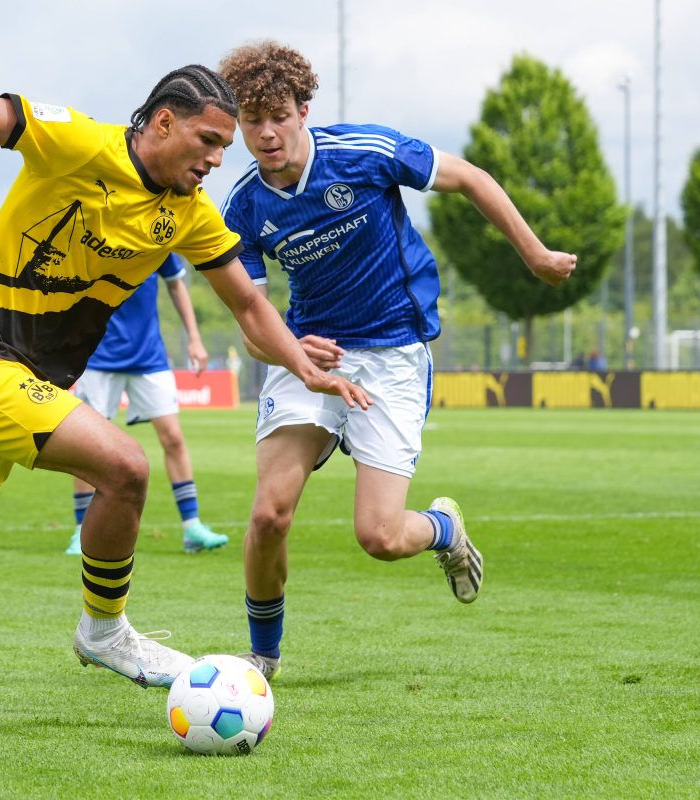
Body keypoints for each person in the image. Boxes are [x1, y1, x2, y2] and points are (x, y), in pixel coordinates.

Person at [0, 65, 369, 708]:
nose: (220, 159)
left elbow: (248, 306)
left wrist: (302, 366)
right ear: (164, 123)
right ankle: (104, 630)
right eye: (209, 141)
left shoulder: (188, 214)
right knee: (125, 467)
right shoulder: (79, 144)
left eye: (224, 147)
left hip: (23, 380)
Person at [217, 41, 577, 679]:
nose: (265, 132)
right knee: (270, 513)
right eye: (250, 119)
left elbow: (468, 177)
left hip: (391, 355)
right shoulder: (243, 206)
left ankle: (442, 527)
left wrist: (536, 254)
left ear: (304, 109)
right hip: (309, 357)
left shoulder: (364, 152)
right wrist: (289, 348)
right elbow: (252, 321)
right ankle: (261, 659)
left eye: (278, 114)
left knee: (380, 538)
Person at [65, 253, 229, 557]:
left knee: (173, 438)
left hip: (149, 357)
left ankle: (192, 528)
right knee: (88, 444)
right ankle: (80, 531)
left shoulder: (159, 239)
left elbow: (177, 285)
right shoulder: (97, 238)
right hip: (100, 357)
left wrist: (194, 337)